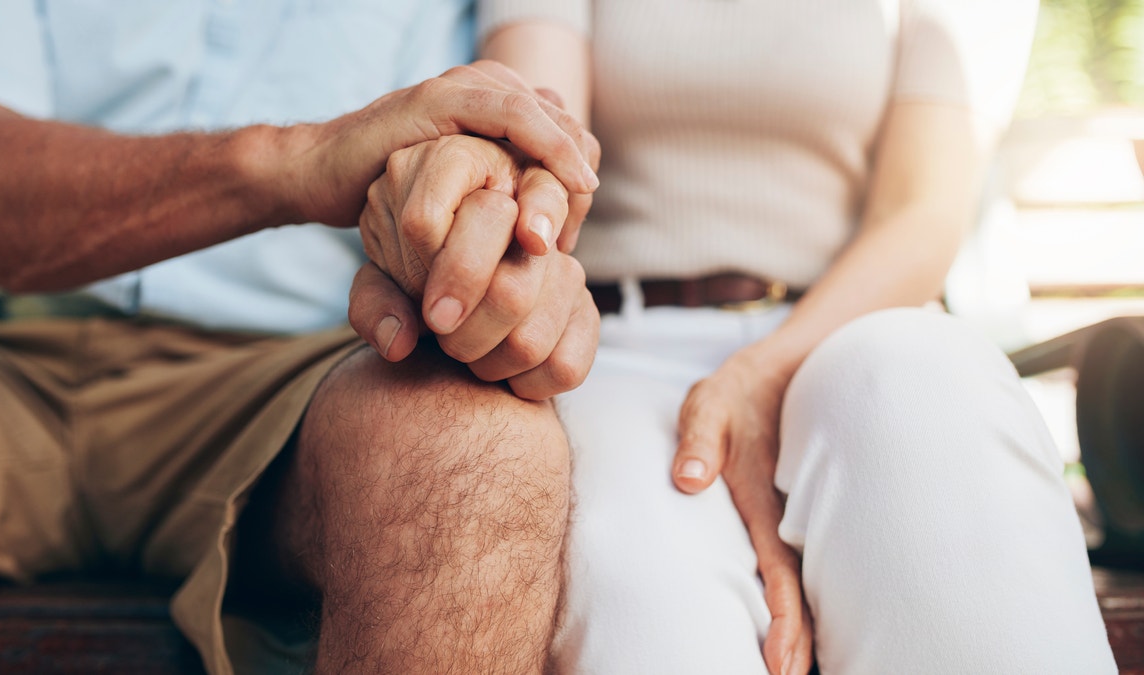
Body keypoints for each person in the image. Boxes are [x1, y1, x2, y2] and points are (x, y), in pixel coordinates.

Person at [462, 1, 1120, 673]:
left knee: (927, 392)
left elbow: (922, 211)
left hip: (846, 325)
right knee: (644, 589)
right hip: (613, 349)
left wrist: (763, 371)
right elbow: (537, 137)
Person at [0, 2, 600, 673]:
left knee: (475, 453)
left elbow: (490, 149)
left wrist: (475, 222)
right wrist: (295, 161)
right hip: (2, 358)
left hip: (294, 375)